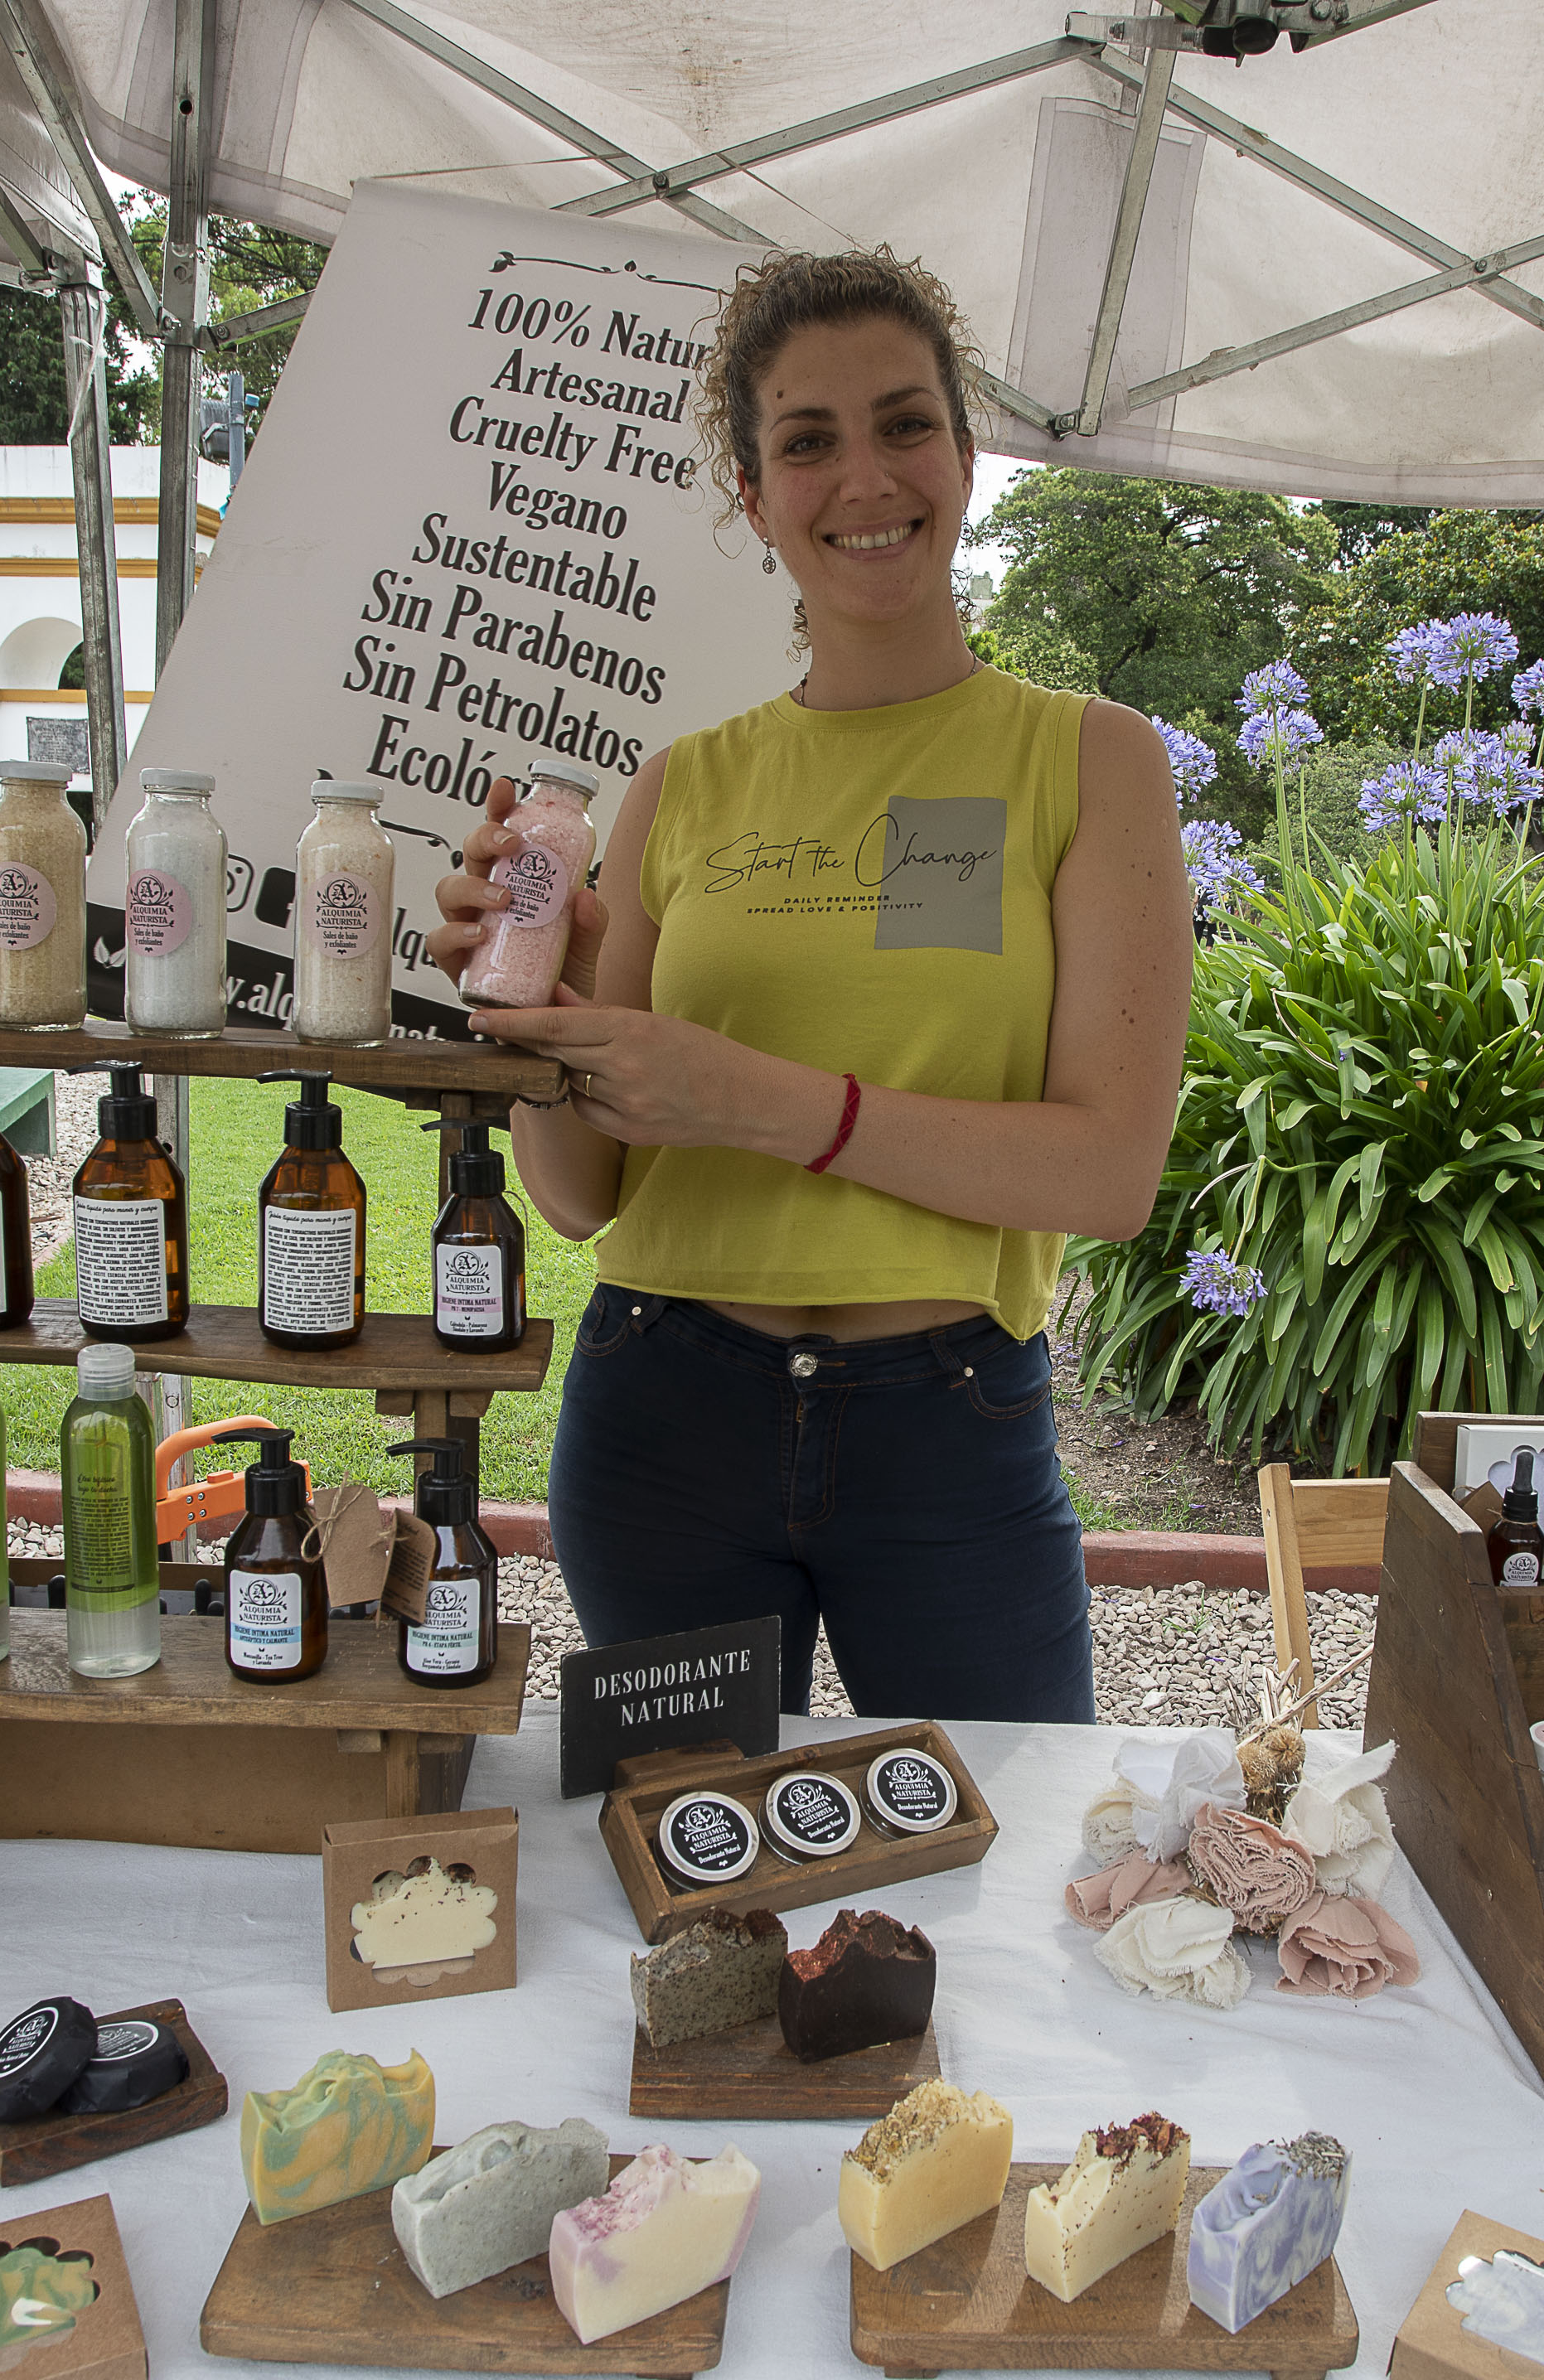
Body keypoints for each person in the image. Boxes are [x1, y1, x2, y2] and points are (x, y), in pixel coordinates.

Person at [429, 248, 1190, 1725]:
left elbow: (1107, 1173)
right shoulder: (679, 786)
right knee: (688, 1834)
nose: (865, 478)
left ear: (966, 455)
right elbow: (582, 1195)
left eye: (906, 424)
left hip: (949, 1423)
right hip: (662, 1411)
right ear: (752, 489)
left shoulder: (1089, 759)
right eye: (807, 441)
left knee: (1007, 1835)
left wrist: (759, 1100)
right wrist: (533, 1025)